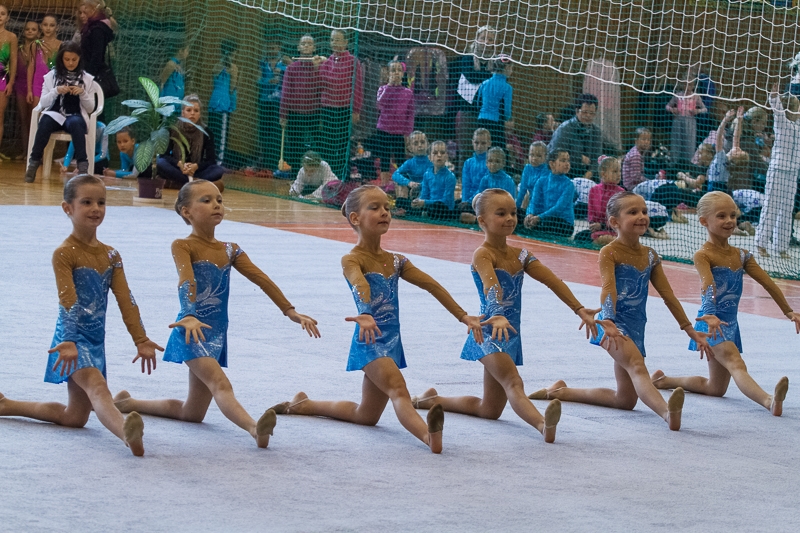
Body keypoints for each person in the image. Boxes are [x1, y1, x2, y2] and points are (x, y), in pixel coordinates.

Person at [268, 185, 484, 453]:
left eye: (387, 208)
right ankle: (429, 437)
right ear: (355, 218)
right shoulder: (351, 259)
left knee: (366, 416)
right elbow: (360, 285)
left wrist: (463, 315)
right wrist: (366, 313)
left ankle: (303, 404)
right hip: (369, 338)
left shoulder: (396, 261)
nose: (384, 212)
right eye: (375, 208)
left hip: (391, 340)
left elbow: (432, 285)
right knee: (399, 389)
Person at [114, 180, 320, 448]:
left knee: (192, 413)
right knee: (221, 384)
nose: (216, 205)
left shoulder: (230, 249)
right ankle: (254, 428)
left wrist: (289, 310)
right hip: (191, 330)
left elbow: (261, 279)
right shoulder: (183, 245)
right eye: (206, 200)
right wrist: (189, 314)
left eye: (219, 200)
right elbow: (187, 281)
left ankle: (127, 403)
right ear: (186, 211)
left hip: (216, 332)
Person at [411, 189, 599, 443]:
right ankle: (544, 425)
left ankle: (431, 400)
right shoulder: (483, 254)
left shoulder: (521, 255)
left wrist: (578, 308)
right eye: (501, 214)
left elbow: (552, 280)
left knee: (489, 410)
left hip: (509, 332)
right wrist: (498, 314)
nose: (510, 218)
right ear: (482, 221)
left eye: (512, 213)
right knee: (514, 383)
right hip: (489, 331)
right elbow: (492, 287)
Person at [0, 175, 162, 456]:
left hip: (95, 340)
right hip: (71, 340)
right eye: (86, 202)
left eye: (101, 202)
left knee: (75, 417)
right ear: (68, 208)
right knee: (98, 387)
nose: (95, 208)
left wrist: (141, 338)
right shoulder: (65, 253)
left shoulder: (111, 255)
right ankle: (127, 433)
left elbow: (126, 299)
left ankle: (6, 405)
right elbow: (68, 301)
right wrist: (69, 340)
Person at [529, 192, 712, 431]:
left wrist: (689, 329)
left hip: (637, 327)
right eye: (633, 212)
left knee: (625, 400)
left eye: (644, 211)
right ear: (614, 222)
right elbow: (609, 288)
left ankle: (560, 391)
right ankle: (668, 413)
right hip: (613, 325)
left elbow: (668, 296)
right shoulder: (610, 252)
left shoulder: (650, 255)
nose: (642, 216)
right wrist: (609, 319)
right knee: (637, 366)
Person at [653, 192, 798, 415]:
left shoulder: (742, 255)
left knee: (716, 388)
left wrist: (789, 311)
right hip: (711, 323)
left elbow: (768, 283)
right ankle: (769, 401)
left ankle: (663, 381)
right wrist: (710, 314)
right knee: (735, 362)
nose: (729, 221)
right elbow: (708, 285)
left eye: (733, 215)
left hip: (730, 324)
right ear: (704, 221)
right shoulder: (703, 255)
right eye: (721, 216)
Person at [25, 41, 99, 183]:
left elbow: (90, 108)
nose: (70, 63)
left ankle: (83, 168)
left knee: (77, 124)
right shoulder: (51, 76)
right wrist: (56, 91)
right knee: (45, 122)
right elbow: (43, 103)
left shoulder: (86, 79)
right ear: (61, 58)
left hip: (75, 115)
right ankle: (33, 163)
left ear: (79, 59)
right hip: (55, 113)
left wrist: (82, 93)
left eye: (74, 60)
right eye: (67, 59)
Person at [755, 87, 800, 258]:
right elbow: (777, 108)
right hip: (778, 170)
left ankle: (781, 246)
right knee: (771, 206)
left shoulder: (798, 125)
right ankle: (761, 243)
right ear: (791, 110)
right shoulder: (781, 123)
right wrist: (774, 96)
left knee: (787, 209)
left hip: (792, 171)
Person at [448, 25, 495, 174]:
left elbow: (498, 80)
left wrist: (486, 77)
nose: (486, 42)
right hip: (467, 112)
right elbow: (472, 76)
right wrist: (488, 76)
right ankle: (463, 179)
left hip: (487, 114)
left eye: (490, 39)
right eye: (483, 38)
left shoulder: (495, 61)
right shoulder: (467, 58)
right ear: (477, 39)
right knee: (466, 150)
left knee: (485, 151)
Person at [318, 30, 363, 178]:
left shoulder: (353, 61)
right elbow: (321, 83)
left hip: (345, 110)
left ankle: (343, 176)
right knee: (328, 143)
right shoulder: (326, 62)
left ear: (345, 42)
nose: (334, 43)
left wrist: (356, 110)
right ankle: (328, 176)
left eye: (337, 40)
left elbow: (358, 87)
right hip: (328, 109)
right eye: (332, 40)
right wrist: (318, 66)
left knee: (343, 144)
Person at [157, 94, 225, 187]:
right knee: (160, 163)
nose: (192, 113)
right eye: (189, 110)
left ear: (200, 114)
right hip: (178, 169)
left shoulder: (207, 132)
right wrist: (179, 164)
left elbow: (211, 160)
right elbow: (164, 155)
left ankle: (183, 182)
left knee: (218, 170)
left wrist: (196, 166)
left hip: (196, 171)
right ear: (183, 113)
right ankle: (195, 183)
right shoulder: (173, 129)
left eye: (196, 110)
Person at [279, 34, 321, 170]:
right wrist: (283, 114)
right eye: (303, 44)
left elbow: (320, 88)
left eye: (309, 44)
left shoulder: (319, 67)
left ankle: (315, 174)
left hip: (314, 113)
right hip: (295, 114)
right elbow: (286, 92)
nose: (306, 46)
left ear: (314, 48)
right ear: (298, 47)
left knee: (317, 144)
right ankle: (296, 175)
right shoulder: (291, 68)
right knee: (295, 146)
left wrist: (316, 68)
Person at [375, 60, 415, 185]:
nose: (396, 73)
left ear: (403, 73)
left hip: (399, 132)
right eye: (393, 70)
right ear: (388, 73)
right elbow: (380, 104)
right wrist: (389, 86)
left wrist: (407, 133)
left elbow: (410, 114)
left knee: (400, 159)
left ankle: (401, 185)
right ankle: (384, 185)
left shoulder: (408, 93)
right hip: (384, 129)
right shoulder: (382, 89)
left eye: (399, 70)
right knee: (384, 158)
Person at [548, 94, 602, 180]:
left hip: (588, 177)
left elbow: (597, 158)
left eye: (592, 113)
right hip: (565, 175)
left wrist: (589, 174)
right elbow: (554, 155)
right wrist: (579, 158)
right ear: (577, 111)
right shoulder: (564, 129)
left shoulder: (596, 131)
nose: (588, 116)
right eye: (585, 112)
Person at [523, 149, 575, 237]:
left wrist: (539, 217)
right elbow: (534, 202)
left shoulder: (569, 185)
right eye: (563, 160)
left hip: (562, 223)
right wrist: (529, 214)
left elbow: (559, 207)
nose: (567, 164)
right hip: (542, 218)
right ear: (552, 164)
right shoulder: (541, 181)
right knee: (519, 214)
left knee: (548, 223)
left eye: (568, 160)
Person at [256, 39, 290, 170]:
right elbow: (258, 79)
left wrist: (281, 74)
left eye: (273, 47)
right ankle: (264, 161)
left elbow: (291, 76)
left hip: (279, 102)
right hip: (265, 101)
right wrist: (268, 81)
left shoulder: (285, 61)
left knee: (277, 133)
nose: (271, 50)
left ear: (279, 47)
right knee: (264, 132)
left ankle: (276, 161)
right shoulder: (263, 62)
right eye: (269, 47)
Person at [575, 156, 624, 246]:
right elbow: (591, 213)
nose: (619, 174)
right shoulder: (594, 190)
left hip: (614, 230)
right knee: (579, 237)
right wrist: (593, 224)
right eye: (615, 171)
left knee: (603, 239)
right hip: (598, 230)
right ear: (603, 174)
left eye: (619, 171)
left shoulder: (620, 193)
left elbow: (619, 219)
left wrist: (602, 225)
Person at [15, 20, 46, 156]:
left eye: (33, 29)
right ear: (23, 32)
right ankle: (25, 151)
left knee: (35, 119)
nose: (30, 31)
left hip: (36, 85)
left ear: (38, 33)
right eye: (27, 29)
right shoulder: (18, 49)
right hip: (20, 85)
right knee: (24, 119)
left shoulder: (41, 49)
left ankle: (36, 152)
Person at [208, 39, 238, 165]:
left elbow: (214, 79)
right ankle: (219, 161)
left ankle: (210, 159)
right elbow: (232, 87)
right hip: (224, 102)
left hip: (214, 101)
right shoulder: (233, 68)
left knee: (212, 132)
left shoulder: (216, 66)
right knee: (222, 133)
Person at [79, 0, 116, 104]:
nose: (85, 11)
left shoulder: (97, 30)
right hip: (89, 73)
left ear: (93, 9)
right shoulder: (91, 27)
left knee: (93, 106)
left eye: (86, 8)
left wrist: (88, 77)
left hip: (93, 75)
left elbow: (96, 56)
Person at [707, 107, 749, 194]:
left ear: (734, 159)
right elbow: (736, 138)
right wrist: (739, 121)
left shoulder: (722, 158)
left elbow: (718, 136)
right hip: (723, 188)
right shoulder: (730, 162)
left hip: (715, 187)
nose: (739, 148)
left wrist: (725, 120)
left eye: (739, 152)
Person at [411, 140, 456, 219]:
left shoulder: (450, 177)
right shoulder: (427, 175)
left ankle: (426, 213)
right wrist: (419, 201)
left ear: (446, 156)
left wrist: (425, 202)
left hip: (444, 209)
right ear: (430, 157)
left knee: (438, 206)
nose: (439, 155)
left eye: (442, 153)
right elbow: (424, 195)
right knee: (412, 205)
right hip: (430, 205)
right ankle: (424, 212)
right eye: (435, 153)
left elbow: (446, 201)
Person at [666, 78, 706, 166]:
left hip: (690, 121)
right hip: (678, 120)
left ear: (693, 86)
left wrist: (697, 111)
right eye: (685, 84)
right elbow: (667, 106)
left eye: (690, 85)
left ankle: (688, 164)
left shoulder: (696, 96)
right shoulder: (678, 95)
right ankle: (674, 163)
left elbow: (705, 109)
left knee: (689, 143)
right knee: (676, 142)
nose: (687, 87)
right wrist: (672, 109)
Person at [476, 56, 513, 149]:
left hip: (481, 121)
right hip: (496, 124)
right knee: (498, 151)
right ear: (507, 68)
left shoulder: (484, 83)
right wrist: (507, 119)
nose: (512, 71)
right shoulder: (507, 88)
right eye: (511, 68)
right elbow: (506, 112)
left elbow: (478, 103)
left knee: (482, 149)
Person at [391, 130, 431, 213]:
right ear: (410, 148)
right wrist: (409, 183)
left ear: (428, 144)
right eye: (416, 143)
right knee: (400, 182)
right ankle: (403, 207)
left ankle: (420, 208)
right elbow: (395, 175)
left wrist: (420, 186)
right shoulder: (409, 163)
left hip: (427, 193)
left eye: (422, 142)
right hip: (412, 192)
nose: (420, 145)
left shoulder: (432, 162)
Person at [457, 128, 491, 213]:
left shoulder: (490, 163)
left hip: (483, 199)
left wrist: (469, 201)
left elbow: (483, 188)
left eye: (483, 143)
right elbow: (465, 185)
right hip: (468, 200)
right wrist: (464, 200)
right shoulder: (468, 163)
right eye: (476, 143)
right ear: (472, 142)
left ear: (489, 143)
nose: (479, 146)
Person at [0, 4, 18, 159]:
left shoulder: (11, 37)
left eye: (2, 13)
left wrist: (11, 82)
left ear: (7, 17)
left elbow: (13, 61)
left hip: (2, 79)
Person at [515, 141, 548, 214]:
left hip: (543, 206)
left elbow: (539, 192)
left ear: (545, 157)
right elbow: (522, 190)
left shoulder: (546, 171)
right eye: (532, 155)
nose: (534, 158)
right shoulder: (527, 168)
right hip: (530, 204)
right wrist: (516, 207)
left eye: (539, 156)